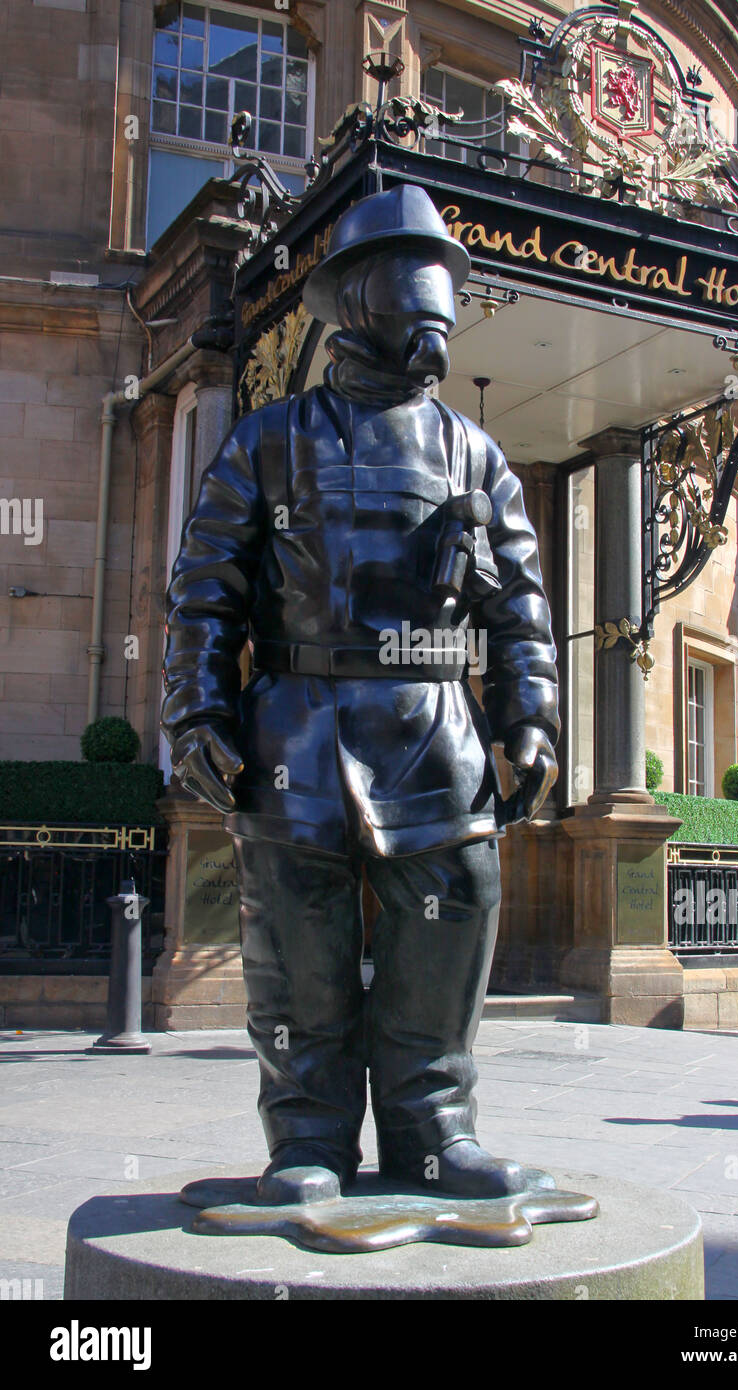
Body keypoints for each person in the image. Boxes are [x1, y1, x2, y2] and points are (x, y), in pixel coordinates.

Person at [162, 185, 559, 1203]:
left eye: (438, 287)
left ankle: (432, 1132)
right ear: (353, 299)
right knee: (299, 951)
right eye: (403, 282)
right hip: (299, 731)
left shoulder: (474, 453)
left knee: (452, 913)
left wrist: (531, 720)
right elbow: (205, 590)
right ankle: (309, 1141)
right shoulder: (269, 438)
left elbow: (518, 606)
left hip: (433, 731)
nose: (426, 306)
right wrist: (197, 709)